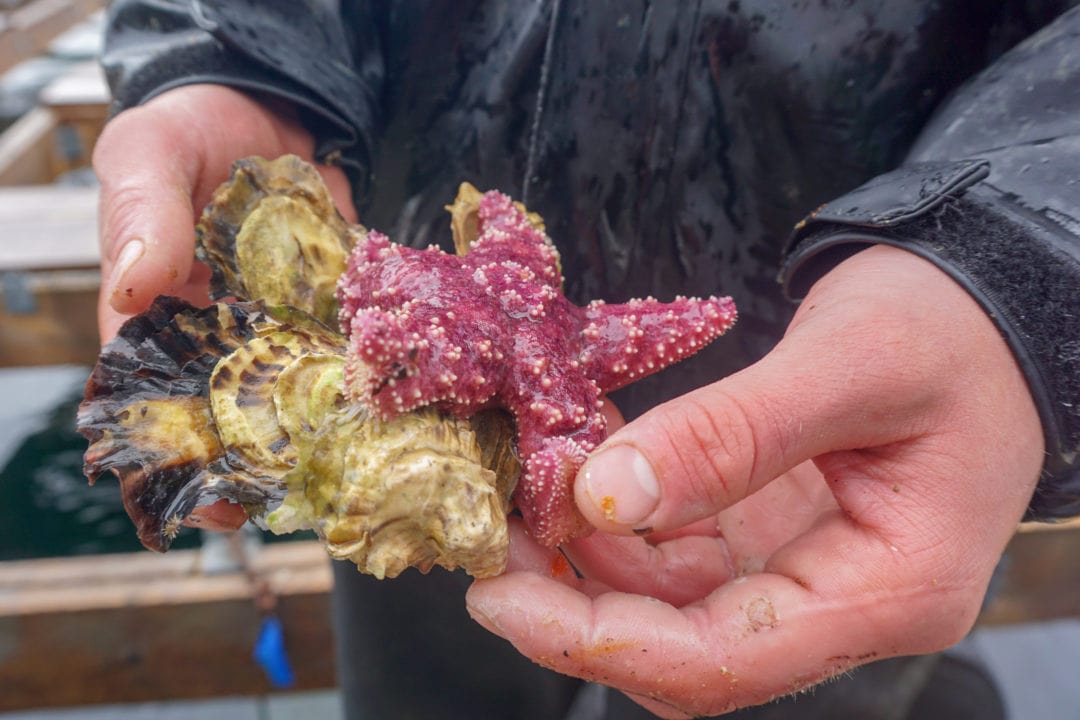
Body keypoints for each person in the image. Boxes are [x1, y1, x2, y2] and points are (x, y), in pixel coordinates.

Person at [91, 2, 1079, 718]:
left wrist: (1010, 271)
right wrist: (238, 59)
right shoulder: (475, 302)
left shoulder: (496, 322)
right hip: (435, 460)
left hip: (821, 449)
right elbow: (464, 262)